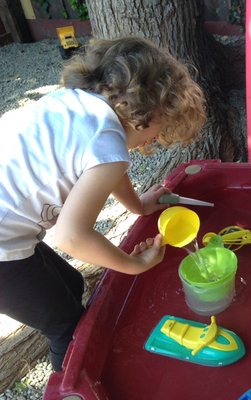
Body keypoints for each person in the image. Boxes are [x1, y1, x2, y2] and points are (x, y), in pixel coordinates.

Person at [0, 36, 206, 372]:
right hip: (3, 250)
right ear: (144, 111)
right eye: (162, 124)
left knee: (73, 284)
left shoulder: (76, 101)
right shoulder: (107, 143)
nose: (158, 135)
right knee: (66, 324)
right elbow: (71, 237)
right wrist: (133, 265)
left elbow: (109, 163)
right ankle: (69, 387)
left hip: (10, 230)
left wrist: (138, 205)